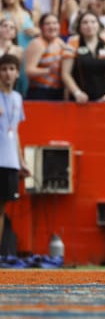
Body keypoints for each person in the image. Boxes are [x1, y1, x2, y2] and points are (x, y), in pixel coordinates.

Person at [61, 12, 105, 103]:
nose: (89, 25)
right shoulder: (73, 42)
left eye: (93, 22)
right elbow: (65, 73)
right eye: (85, 22)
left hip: (104, 98)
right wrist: (77, 93)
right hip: (80, 100)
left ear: (99, 25)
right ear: (79, 26)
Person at [0, 54, 27, 249]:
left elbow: (15, 131)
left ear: (17, 73)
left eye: (11, 69)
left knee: (2, 209)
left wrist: (21, 161)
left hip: (9, 161)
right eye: (3, 69)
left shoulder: (18, 98)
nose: (7, 73)